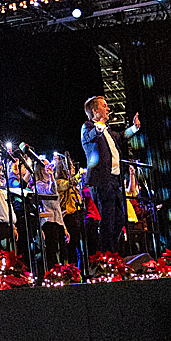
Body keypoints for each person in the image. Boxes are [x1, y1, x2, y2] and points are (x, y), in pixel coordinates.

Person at [81, 96, 140, 255]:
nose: (108, 109)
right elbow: (89, 137)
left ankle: (110, 253)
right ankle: (107, 257)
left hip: (115, 180)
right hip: (102, 180)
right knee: (107, 219)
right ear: (95, 111)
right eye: (104, 106)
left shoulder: (108, 131)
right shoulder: (87, 127)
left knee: (120, 218)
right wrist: (98, 127)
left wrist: (134, 128)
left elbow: (121, 136)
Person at [34, 159, 70, 269]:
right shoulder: (38, 184)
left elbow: (58, 206)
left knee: (63, 250)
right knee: (52, 250)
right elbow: (51, 191)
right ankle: (53, 274)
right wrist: (51, 178)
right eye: (45, 165)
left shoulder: (51, 180)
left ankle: (64, 273)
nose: (49, 167)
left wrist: (64, 227)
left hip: (58, 220)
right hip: (48, 221)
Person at [53, 153, 86, 271]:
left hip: (77, 215)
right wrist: (79, 174)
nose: (73, 168)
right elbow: (68, 184)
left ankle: (81, 271)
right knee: (71, 248)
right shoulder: (59, 182)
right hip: (67, 217)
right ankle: (71, 272)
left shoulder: (73, 183)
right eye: (70, 166)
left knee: (80, 248)